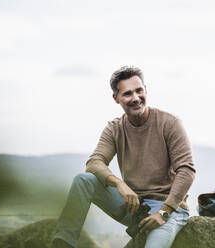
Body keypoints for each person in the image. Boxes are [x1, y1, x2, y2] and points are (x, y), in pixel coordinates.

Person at [52, 66, 196, 248]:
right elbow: (94, 163)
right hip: (135, 206)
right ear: (116, 98)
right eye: (127, 94)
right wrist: (119, 184)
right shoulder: (115, 128)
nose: (135, 98)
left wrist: (164, 212)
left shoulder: (170, 123)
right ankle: (63, 243)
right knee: (84, 180)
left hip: (168, 209)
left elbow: (187, 170)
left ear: (146, 90)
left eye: (139, 91)